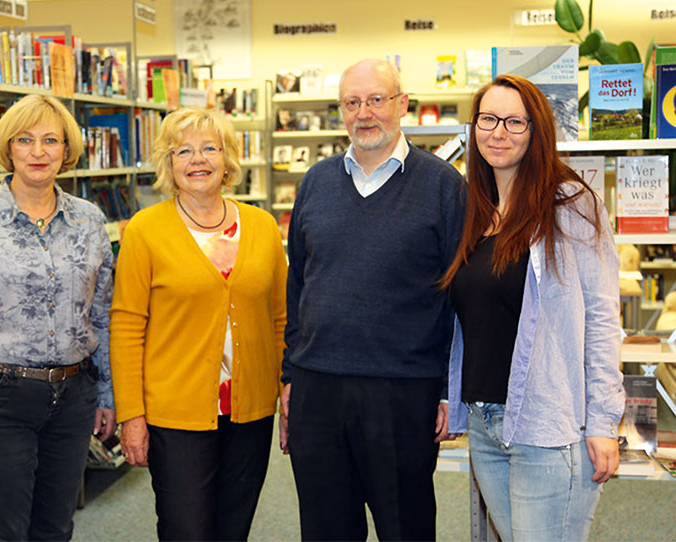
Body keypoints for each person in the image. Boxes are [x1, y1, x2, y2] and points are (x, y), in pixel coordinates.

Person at [280, 58, 466, 541]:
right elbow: (298, 282)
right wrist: (289, 375)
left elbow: (459, 296)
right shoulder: (315, 183)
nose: (365, 113)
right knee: (325, 529)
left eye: (376, 100)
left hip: (402, 392)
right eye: (352, 102)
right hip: (318, 390)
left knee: (404, 527)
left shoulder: (444, 187)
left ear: (402, 104)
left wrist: (450, 387)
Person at [440, 74, 625, 541]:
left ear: (536, 130)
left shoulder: (571, 205)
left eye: (514, 122)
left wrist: (603, 422)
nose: (498, 132)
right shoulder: (476, 212)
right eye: (488, 118)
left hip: (548, 427)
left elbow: (603, 320)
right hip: (486, 424)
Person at [0, 94, 116, 541]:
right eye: (25, 140)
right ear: (7, 149)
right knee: (6, 531)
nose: (38, 152)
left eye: (51, 140)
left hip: (73, 397)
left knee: (56, 528)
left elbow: (104, 315)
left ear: (66, 150)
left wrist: (106, 392)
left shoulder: (89, 220)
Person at [110, 107, 287, 541]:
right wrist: (131, 415)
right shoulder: (145, 230)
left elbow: (281, 317)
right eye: (183, 150)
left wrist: (286, 390)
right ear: (168, 163)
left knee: (234, 528)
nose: (198, 159)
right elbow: (127, 325)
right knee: (185, 530)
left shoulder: (263, 227)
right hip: (176, 413)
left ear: (228, 159)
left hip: (250, 412)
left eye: (211, 148)